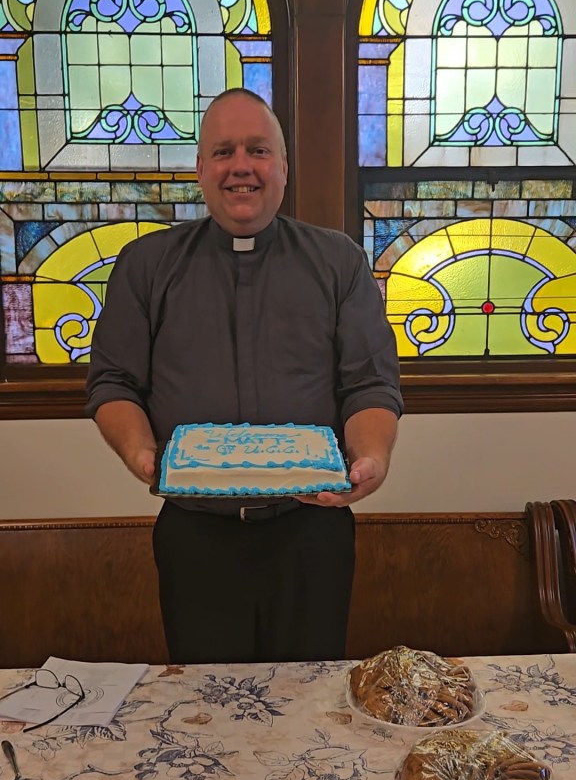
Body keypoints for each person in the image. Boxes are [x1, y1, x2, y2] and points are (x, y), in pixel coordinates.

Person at [86, 88, 403, 665]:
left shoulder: (339, 262)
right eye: (224, 151)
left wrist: (372, 459)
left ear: (283, 166)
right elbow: (113, 383)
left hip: (311, 532)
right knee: (211, 717)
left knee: (310, 709)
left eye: (258, 150)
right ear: (202, 168)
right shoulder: (145, 266)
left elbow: (370, 384)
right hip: (195, 535)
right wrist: (141, 454)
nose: (241, 167)